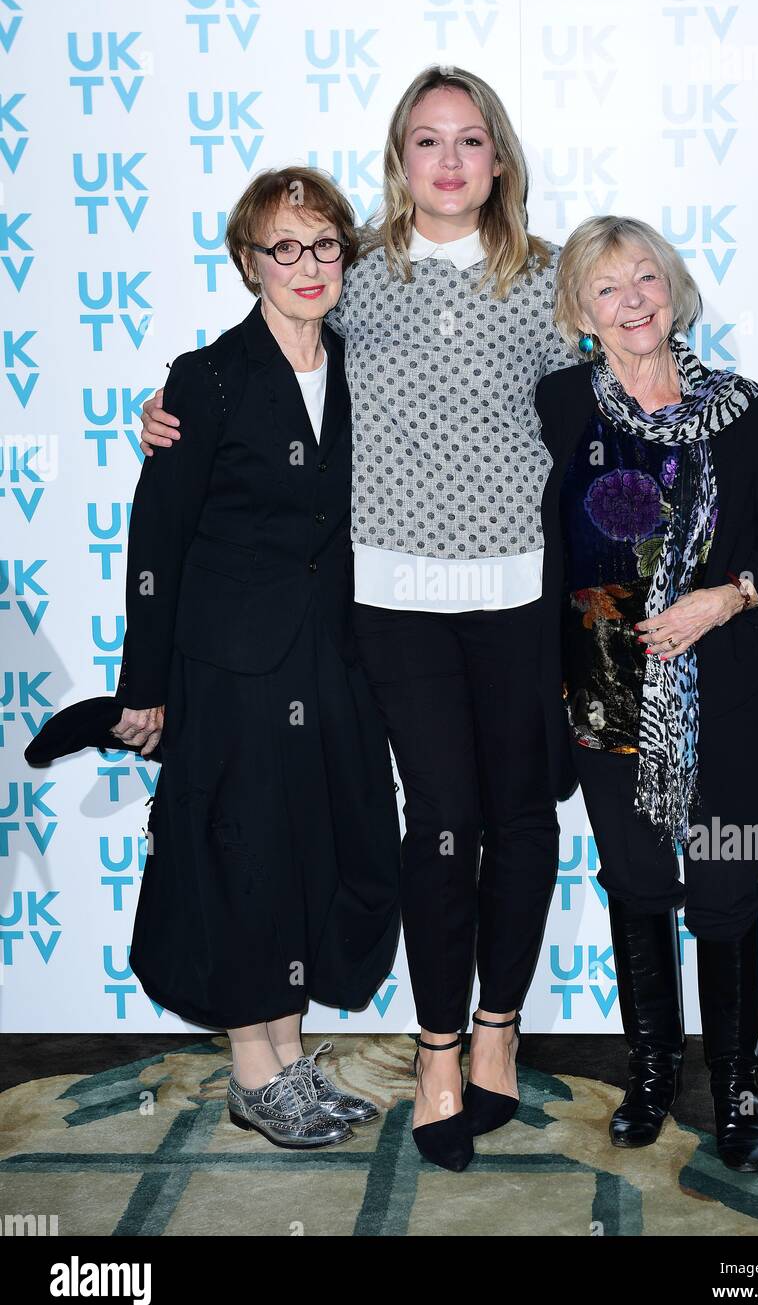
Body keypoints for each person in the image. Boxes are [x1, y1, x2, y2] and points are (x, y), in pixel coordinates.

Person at [137, 66, 583, 1173]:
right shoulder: (362, 271)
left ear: (498, 158)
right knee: (436, 822)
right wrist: (171, 413)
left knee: (521, 821)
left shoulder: (547, 278)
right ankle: (435, 1057)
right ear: (398, 160)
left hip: (521, 594)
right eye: (425, 141)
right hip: (388, 606)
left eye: (469, 140)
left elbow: (609, 396)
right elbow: (260, 359)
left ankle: (496, 1040)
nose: (448, 161)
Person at [110, 165, 401, 1149]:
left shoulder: (365, 366)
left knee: (307, 852)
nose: (308, 264)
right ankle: (251, 1070)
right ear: (249, 262)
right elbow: (158, 539)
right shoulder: (211, 378)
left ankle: (289, 1058)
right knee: (241, 854)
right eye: (285, 246)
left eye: (324, 244)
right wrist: (144, 685)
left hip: (332, 659)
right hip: (231, 667)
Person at [536, 215, 758, 1172]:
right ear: (580, 310)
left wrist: (720, 599)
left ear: (675, 290)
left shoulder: (753, 414)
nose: (633, 302)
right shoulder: (555, 407)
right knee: (634, 885)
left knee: (727, 891)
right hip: (603, 705)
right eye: (608, 288)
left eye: (647, 279)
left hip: (724, 704)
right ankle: (653, 1073)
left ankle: (737, 1089)